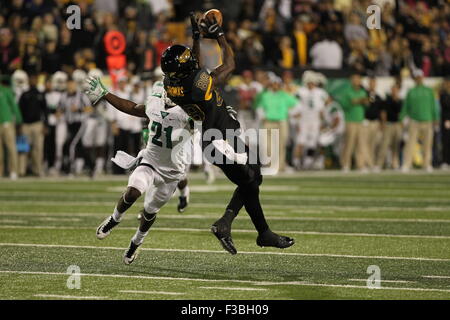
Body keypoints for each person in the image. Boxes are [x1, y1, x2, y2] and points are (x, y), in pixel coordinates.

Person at [158, 13, 294, 254]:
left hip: (218, 137)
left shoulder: (172, 82)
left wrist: (197, 37)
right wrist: (220, 36)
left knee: (254, 176)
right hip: (219, 141)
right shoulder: (197, 84)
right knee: (250, 181)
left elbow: (194, 66)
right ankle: (258, 231)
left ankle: (231, 224)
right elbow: (230, 64)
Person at [86, 80, 193, 264]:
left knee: (149, 212)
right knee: (133, 191)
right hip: (150, 161)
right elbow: (131, 107)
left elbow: (208, 124)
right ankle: (114, 219)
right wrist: (106, 94)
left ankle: (136, 243)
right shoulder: (155, 102)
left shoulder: (188, 112)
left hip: (172, 172)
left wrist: (223, 120)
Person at [400, 70, 439, 172]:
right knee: (410, 143)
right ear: (415, 79)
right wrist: (401, 118)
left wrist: (436, 118)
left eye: (420, 77)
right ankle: (406, 164)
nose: (418, 78)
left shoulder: (429, 91)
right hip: (414, 121)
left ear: (422, 77)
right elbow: (405, 107)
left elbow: (433, 106)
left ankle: (427, 164)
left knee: (428, 144)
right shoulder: (411, 91)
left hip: (428, 120)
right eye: (417, 77)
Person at [17, 73, 47, 176]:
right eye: (31, 79)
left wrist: (45, 125)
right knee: (23, 148)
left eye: (35, 79)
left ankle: (37, 170)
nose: (33, 81)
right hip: (25, 125)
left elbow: (45, 110)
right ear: (28, 81)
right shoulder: (24, 94)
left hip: (37, 124)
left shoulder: (40, 94)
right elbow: (19, 110)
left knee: (38, 149)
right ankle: (21, 170)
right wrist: (19, 124)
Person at [339, 73, 369, 172]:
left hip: (360, 120)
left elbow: (366, 105)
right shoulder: (347, 92)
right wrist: (356, 101)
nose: (357, 81)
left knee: (361, 144)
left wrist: (364, 102)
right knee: (349, 144)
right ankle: (346, 164)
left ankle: (360, 165)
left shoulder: (363, 92)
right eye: (355, 79)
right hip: (350, 121)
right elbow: (344, 104)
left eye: (358, 79)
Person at [376, 83, 403, 170]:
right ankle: (379, 164)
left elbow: (402, 114)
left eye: (396, 89)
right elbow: (383, 113)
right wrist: (383, 123)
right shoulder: (387, 100)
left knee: (396, 146)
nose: (394, 91)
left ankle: (395, 164)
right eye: (393, 89)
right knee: (384, 145)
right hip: (389, 124)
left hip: (397, 125)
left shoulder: (400, 101)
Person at [0, 76, 22, 179]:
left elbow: (14, 106)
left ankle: (14, 171)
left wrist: (18, 120)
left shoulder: (5, 90)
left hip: (7, 123)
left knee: (11, 148)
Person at [439, 78, 450, 169]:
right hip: (446, 120)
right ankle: (445, 161)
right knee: (446, 141)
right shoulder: (443, 95)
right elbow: (446, 105)